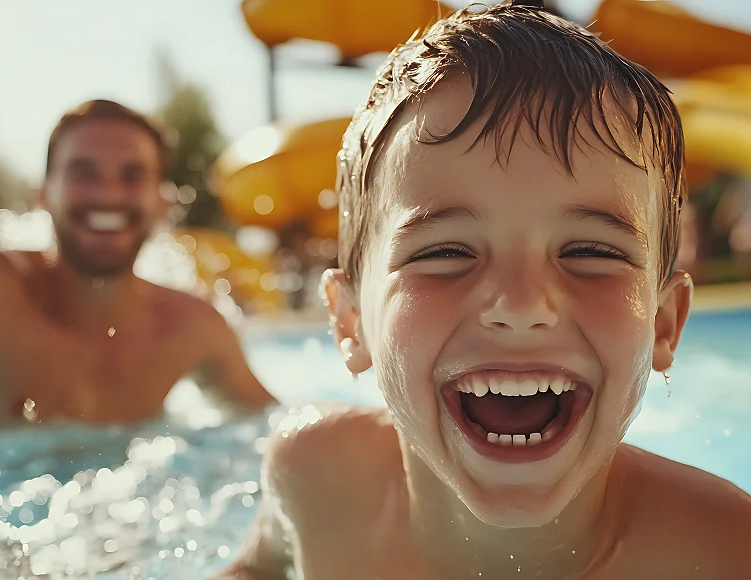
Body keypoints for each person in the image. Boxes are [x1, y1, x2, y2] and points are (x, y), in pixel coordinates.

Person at [219, 2, 751, 579]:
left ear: (665, 323)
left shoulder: (723, 550)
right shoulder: (316, 475)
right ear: (351, 321)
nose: (520, 306)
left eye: (590, 253)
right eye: (445, 253)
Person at [0, 100, 276, 426]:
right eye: (84, 172)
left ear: (162, 202)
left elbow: (272, 429)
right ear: (43, 195)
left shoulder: (191, 328)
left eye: (132, 175)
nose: (108, 194)